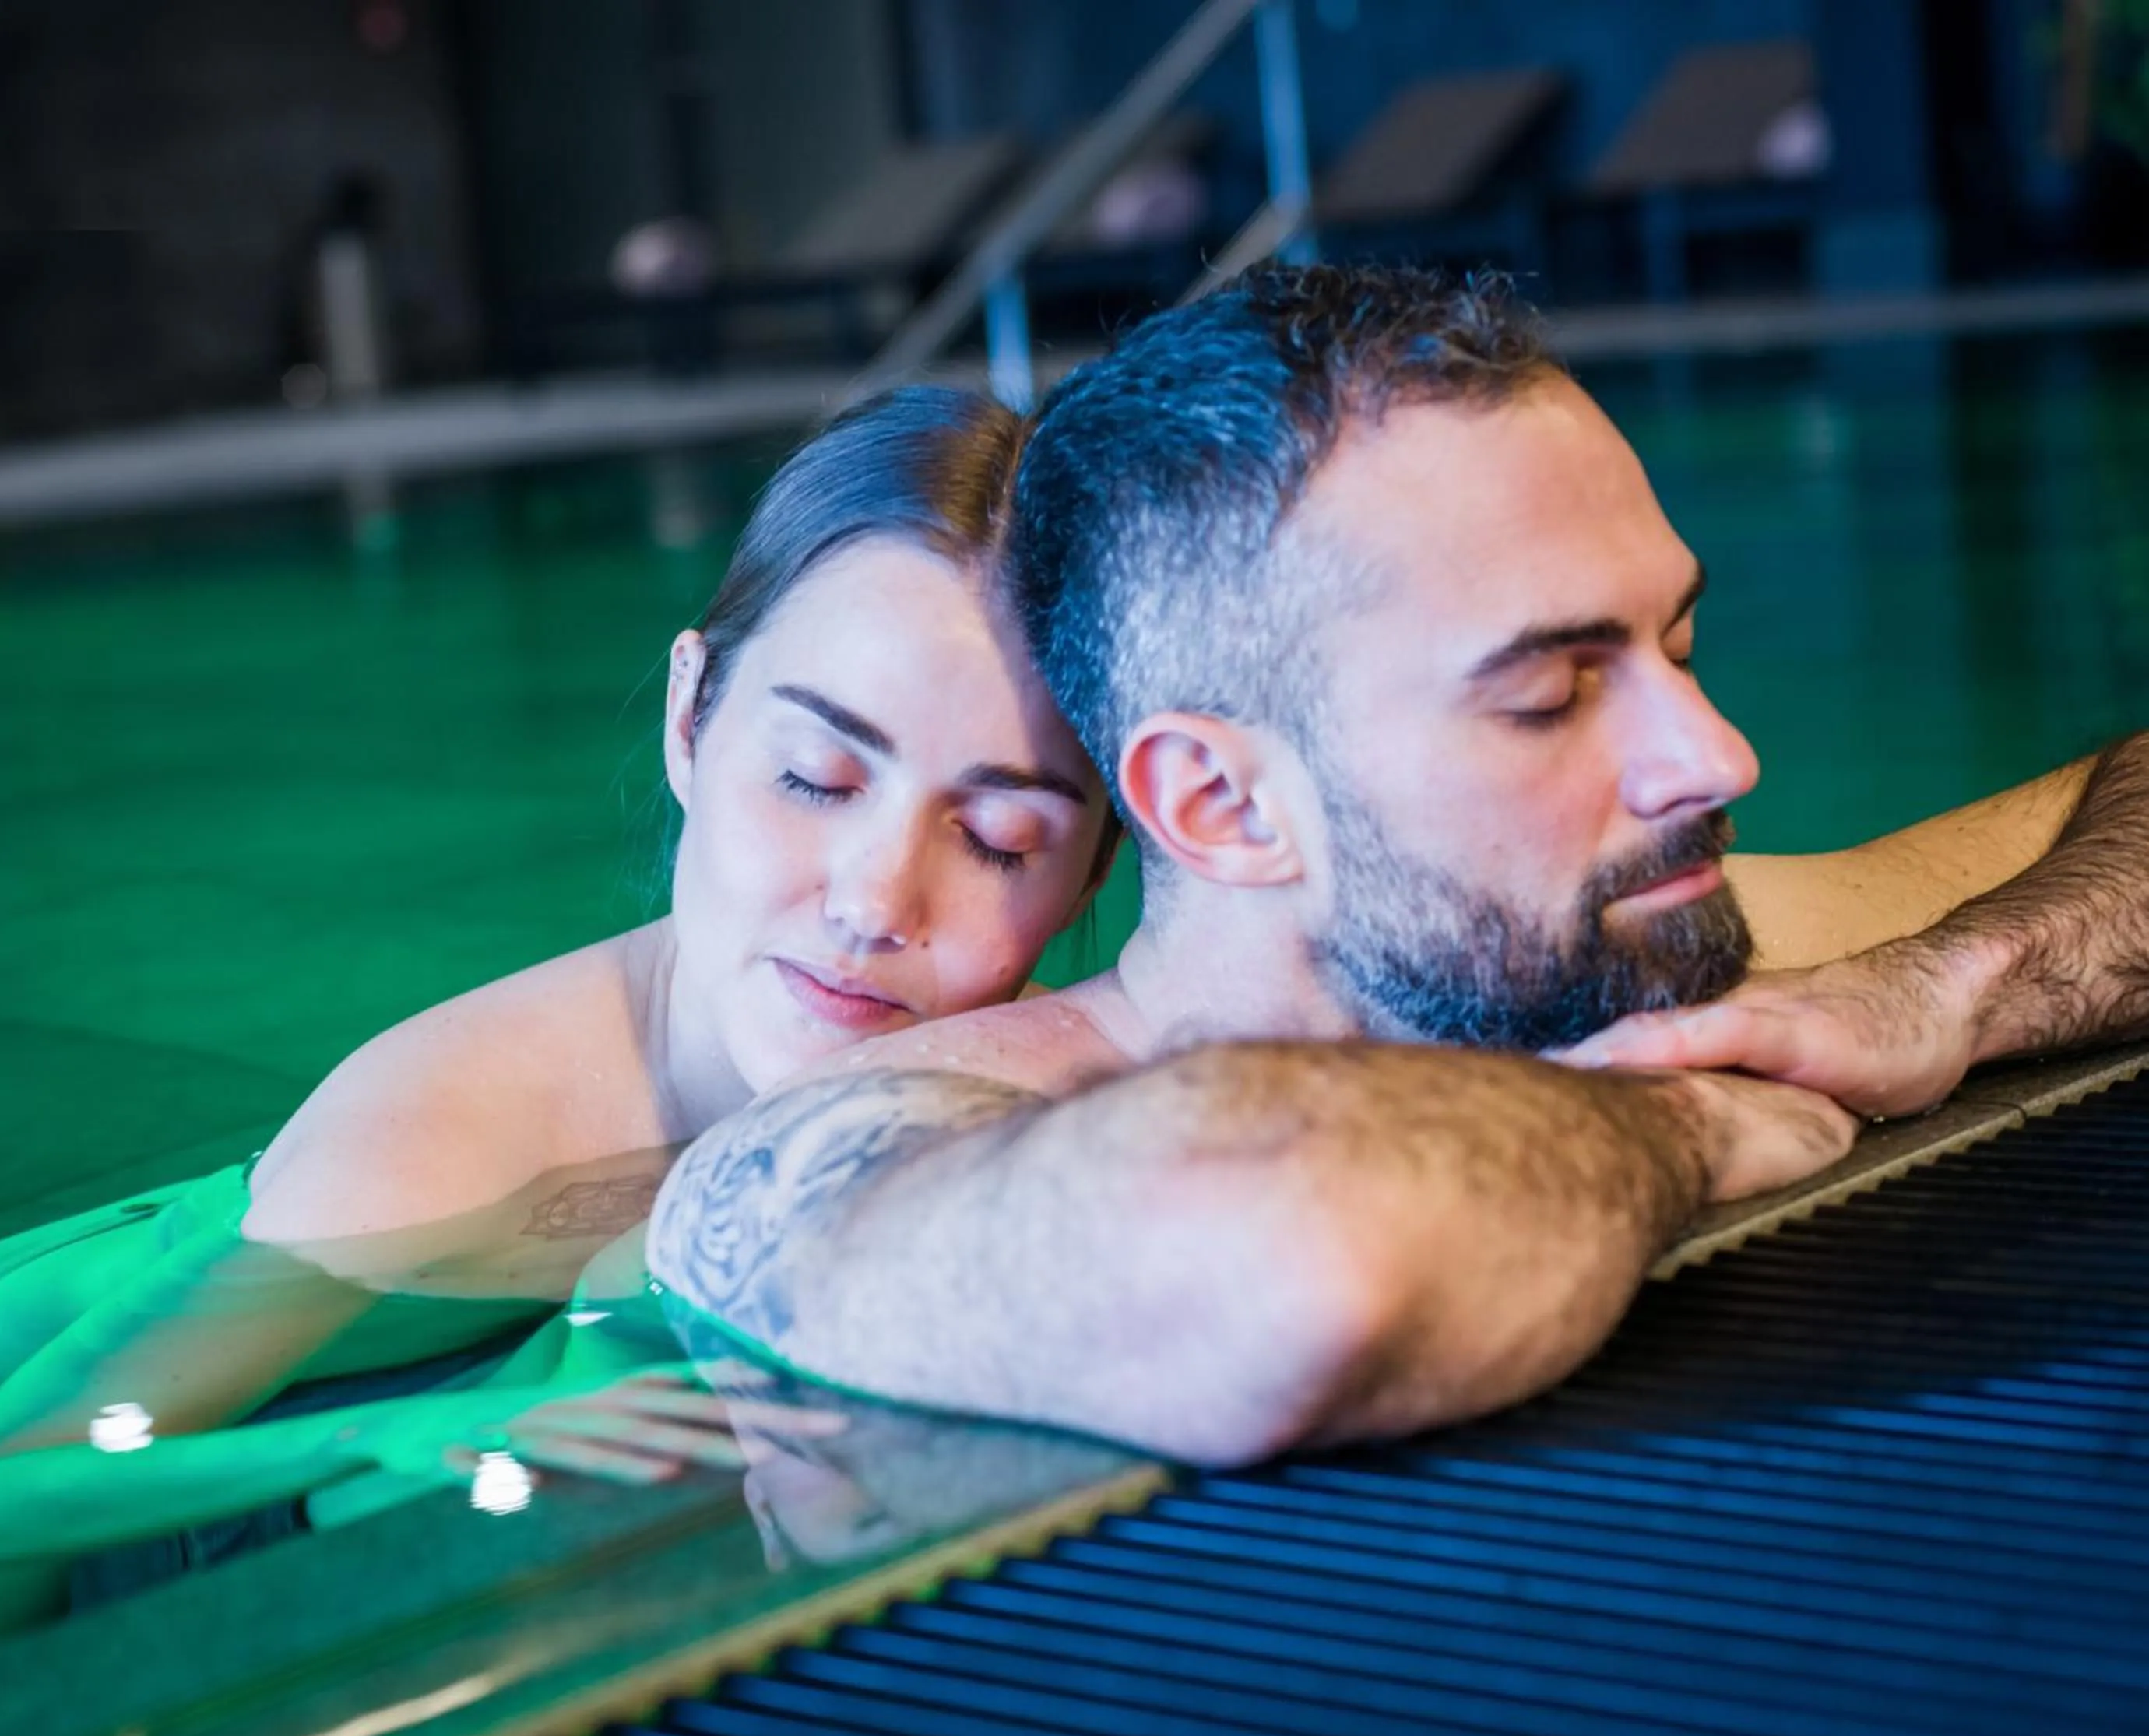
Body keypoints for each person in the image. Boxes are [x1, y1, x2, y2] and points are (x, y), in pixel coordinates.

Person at [645, 263, 2149, 1469]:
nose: (1716, 756)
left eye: (1676, 643)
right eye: (1550, 693)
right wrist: (1676, 1131)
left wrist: (1960, 977)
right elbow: (1295, 1260)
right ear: (1221, 803)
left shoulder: (1628, 943)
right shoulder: (844, 1155)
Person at [0, 386, 1117, 1703]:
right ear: (688, 718)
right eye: (816, 781)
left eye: (998, 841)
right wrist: (430, 1432)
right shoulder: (435, 1140)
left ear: (1094, 871)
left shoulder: (1028, 1050)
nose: (874, 901)